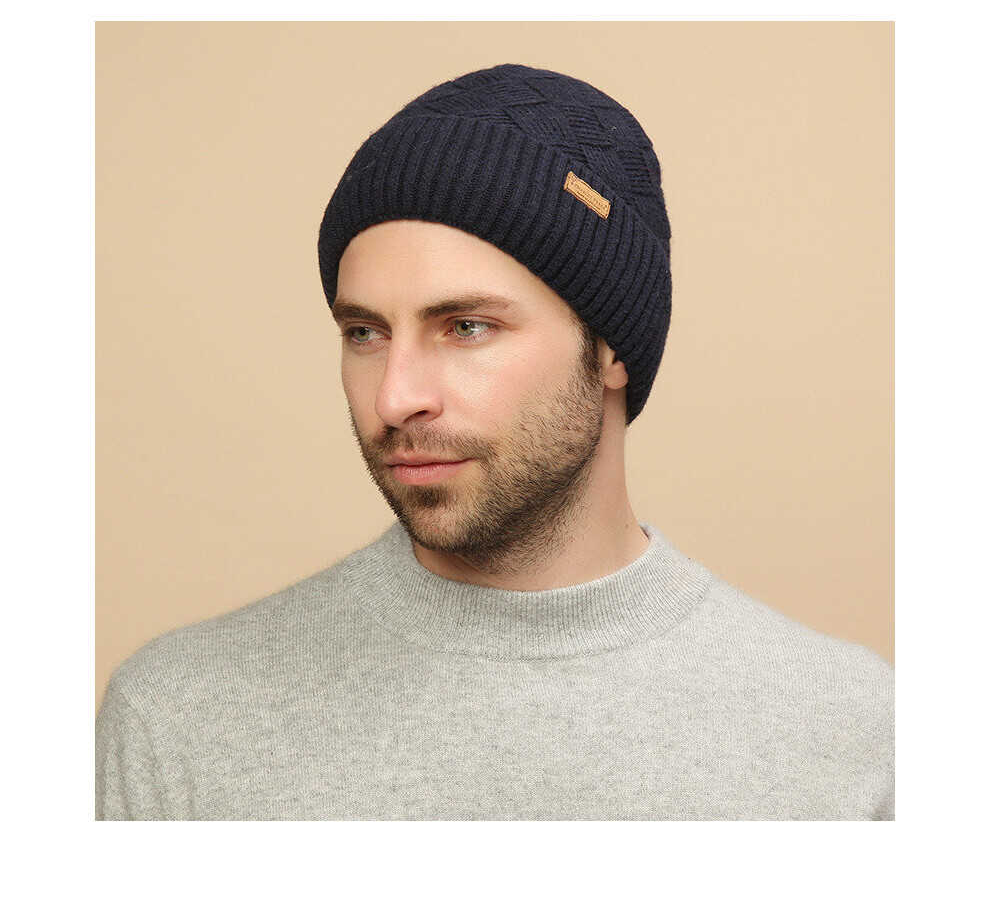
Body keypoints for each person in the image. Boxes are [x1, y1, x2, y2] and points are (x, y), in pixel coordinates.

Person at [96, 63, 894, 821]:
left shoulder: (852, 732)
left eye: (467, 327)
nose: (395, 396)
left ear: (611, 350)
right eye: (365, 332)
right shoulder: (179, 719)